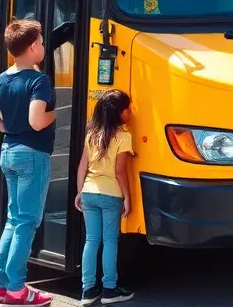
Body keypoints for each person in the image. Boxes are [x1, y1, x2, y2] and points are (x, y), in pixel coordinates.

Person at [0, 20, 58, 306]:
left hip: (8, 152)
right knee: (27, 222)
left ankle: (1, 285)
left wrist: (5, 128)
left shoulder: (2, 79)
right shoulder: (38, 81)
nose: (43, 46)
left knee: (14, 219)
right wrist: (54, 116)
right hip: (32, 154)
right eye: (42, 43)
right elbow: (36, 121)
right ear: (33, 47)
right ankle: (18, 289)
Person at [75, 90, 135, 305]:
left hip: (89, 193)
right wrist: (127, 197)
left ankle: (88, 290)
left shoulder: (92, 134)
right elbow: (120, 172)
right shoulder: (124, 136)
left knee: (91, 241)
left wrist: (80, 191)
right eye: (127, 108)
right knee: (110, 241)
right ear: (119, 113)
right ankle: (110, 289)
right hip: (111, 195)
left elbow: (82, 166)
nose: (130, 112)